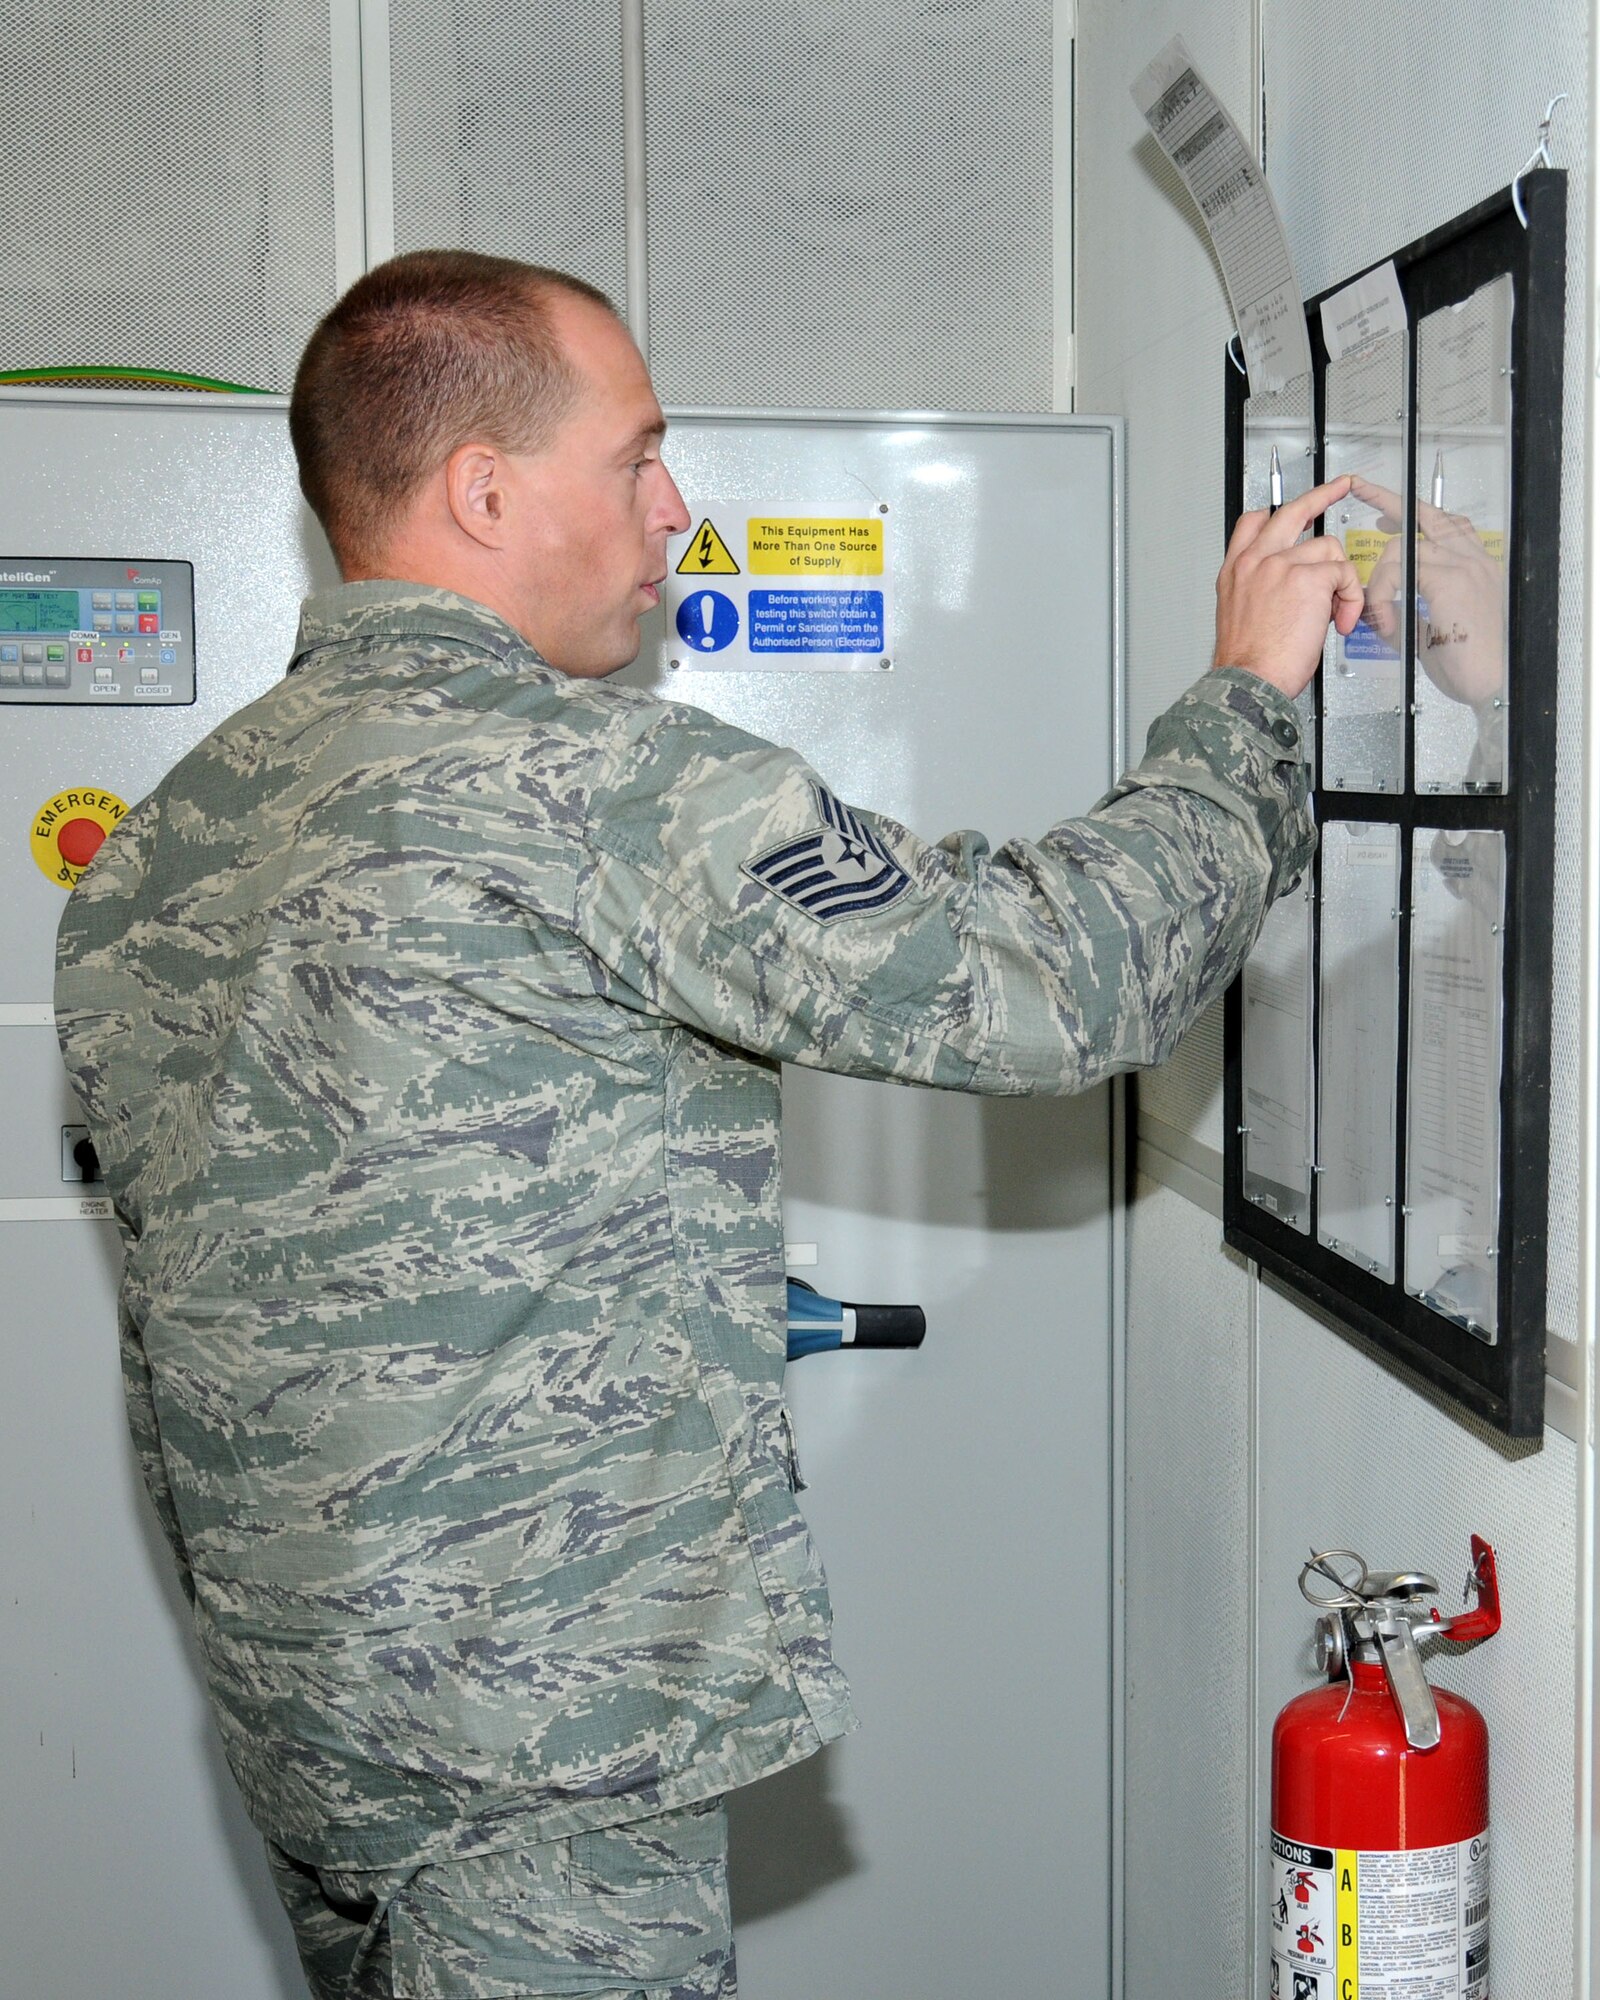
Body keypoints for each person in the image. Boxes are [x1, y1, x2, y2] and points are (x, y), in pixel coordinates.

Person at [54, 249, 1361, 2000]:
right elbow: (1061, 979)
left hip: (316, 1734)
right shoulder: (593, 786)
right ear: (485, 489)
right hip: (544, 1768)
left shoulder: (160, 848)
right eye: (639, 456)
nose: (678, 508)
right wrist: (1250, 703)